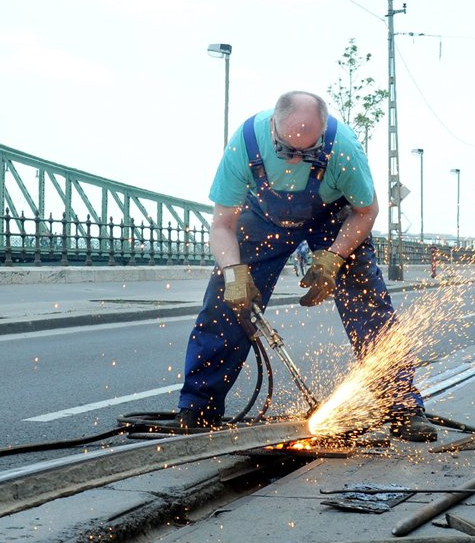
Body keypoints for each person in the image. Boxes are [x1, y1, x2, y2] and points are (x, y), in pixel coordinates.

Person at [176, 90, 436, 441]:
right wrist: (235, 275)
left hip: (333, 217)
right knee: (225, 303)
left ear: (324, 131)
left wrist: (335, 257)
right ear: (273, 128)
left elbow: (367, 211)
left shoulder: (344, 149)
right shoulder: (244, 144)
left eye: (309, 153)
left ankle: (402, 405)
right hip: (264, 217)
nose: (297, 160)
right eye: (286, 151)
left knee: (368, 304)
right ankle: (198, 407)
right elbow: (222, 225)